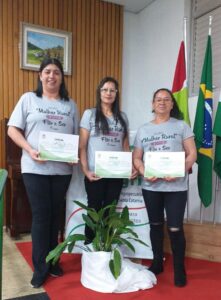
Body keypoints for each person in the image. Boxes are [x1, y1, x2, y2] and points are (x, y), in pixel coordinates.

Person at [7, 58, 79, 288]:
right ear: (40, 75)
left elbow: (76, 137)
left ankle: (54, 261)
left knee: (56, 216)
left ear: (61, 77)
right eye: (47, 72)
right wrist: (30, 149)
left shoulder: (70, 105)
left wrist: (73, 155)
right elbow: (12, 130)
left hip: (62, 170)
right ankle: (40, 267)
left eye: (56, 72)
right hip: (34, 167)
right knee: (40, 216)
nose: (51, 76)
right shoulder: (28, 99)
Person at [133, 88, 197, 287]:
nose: (162, 102)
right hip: (151, 186)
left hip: (176, 187)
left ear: (171, 104)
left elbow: (192, 154)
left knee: (175, 227)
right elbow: (136, 157)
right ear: (153, 104)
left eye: (166, 100)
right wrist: (143, 171)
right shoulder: (143, 130)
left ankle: (179, 268)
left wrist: (179, 169)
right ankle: (157, 262)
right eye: (158, 100)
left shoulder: (181, 126)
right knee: (155, 225)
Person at [79, 76, 136, 243]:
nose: (108, 93)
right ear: (99, 92)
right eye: (105, 90)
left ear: (116, 93)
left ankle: (106, 246)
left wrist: (130, 167)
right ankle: (90, 247)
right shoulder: (89, 114)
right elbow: (82, 146)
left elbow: (125, 146)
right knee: (94, 210)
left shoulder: (122, 117)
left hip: (116, 174)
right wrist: (85, 170)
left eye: (112, 90)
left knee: (110, 211)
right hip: (95, 174)